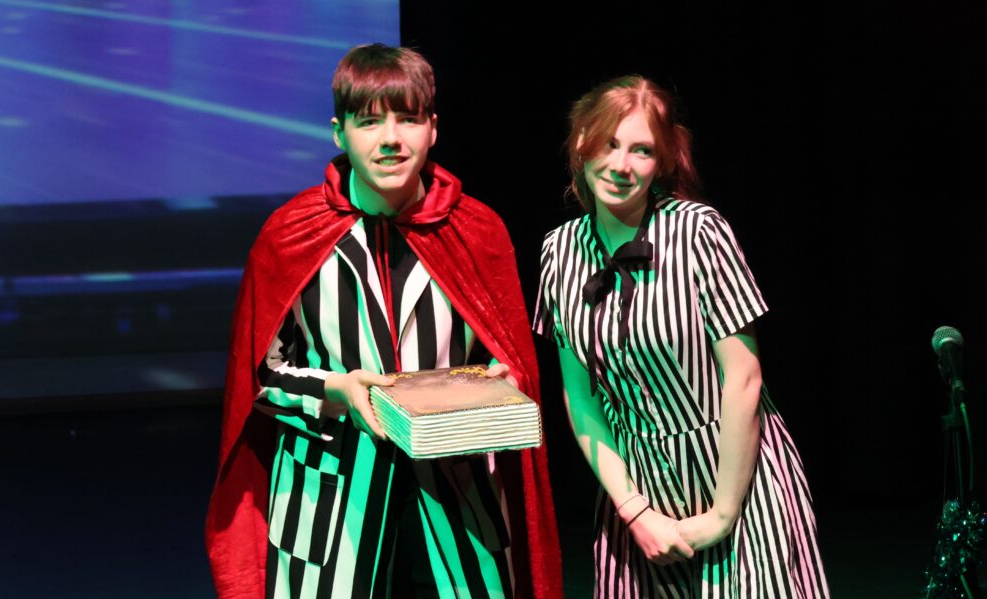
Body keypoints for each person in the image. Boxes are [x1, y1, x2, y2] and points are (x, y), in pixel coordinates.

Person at [206, 44, 563, 598]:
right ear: (339, 133)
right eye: (369, 121)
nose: (390, 138)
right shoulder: (290, 235)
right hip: (328, 510)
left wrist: (500, 388)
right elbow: (257, 375)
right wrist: (335, 390)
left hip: (459, 508)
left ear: (433, 128)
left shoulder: (476, 231)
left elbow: (511, 364)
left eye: (408, 118)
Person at [533, 75, 829, 597]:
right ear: (581, 145)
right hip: (636, 493)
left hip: (738, 477)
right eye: (609, 143)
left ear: (663, 161)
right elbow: (579, 399)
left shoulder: (698, 231)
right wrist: (634, 510)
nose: (622, 165)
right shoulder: (558, 253)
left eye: (641, 150)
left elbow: (744, 378)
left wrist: (722, 514)